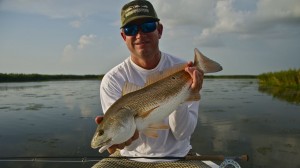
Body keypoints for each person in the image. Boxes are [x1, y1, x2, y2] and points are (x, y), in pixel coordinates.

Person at [93, 0, 206, 167]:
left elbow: (182, 134)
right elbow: (124, 138)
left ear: (159, 30)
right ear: (124, 37)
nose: (139, 35)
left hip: (177, 158)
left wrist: (185, 96)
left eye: (147, 26)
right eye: (130, 29)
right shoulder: (112, 79)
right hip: (127, 160)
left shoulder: (185, 71)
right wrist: (121, 141)